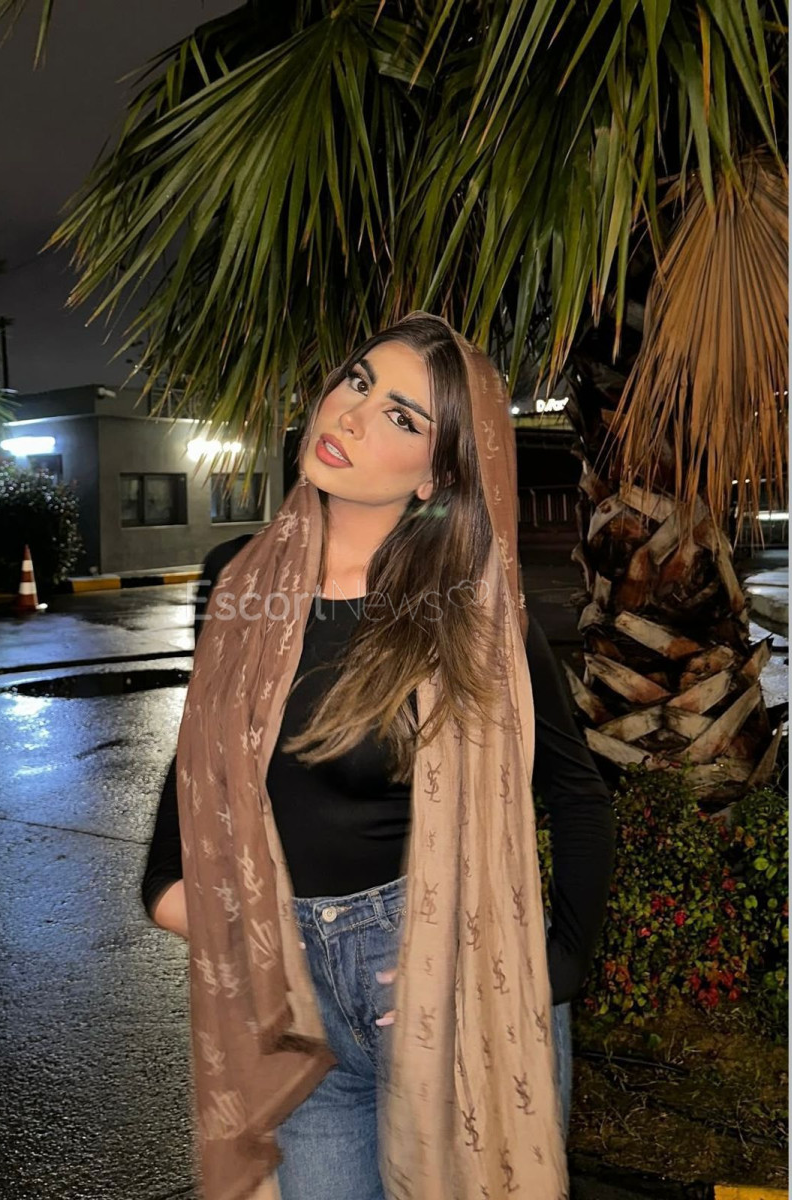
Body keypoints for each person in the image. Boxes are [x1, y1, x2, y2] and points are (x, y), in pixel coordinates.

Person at [141, 312, 615, 1200]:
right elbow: (194, 781)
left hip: (439, 979)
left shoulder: (474, 613)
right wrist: (210, 916)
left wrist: (544, 971)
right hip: (290, 1007)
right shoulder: (236, 579)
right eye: (356, 381)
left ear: (437, 473)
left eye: (401, 416)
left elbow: (578, 797)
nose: (350, 415)